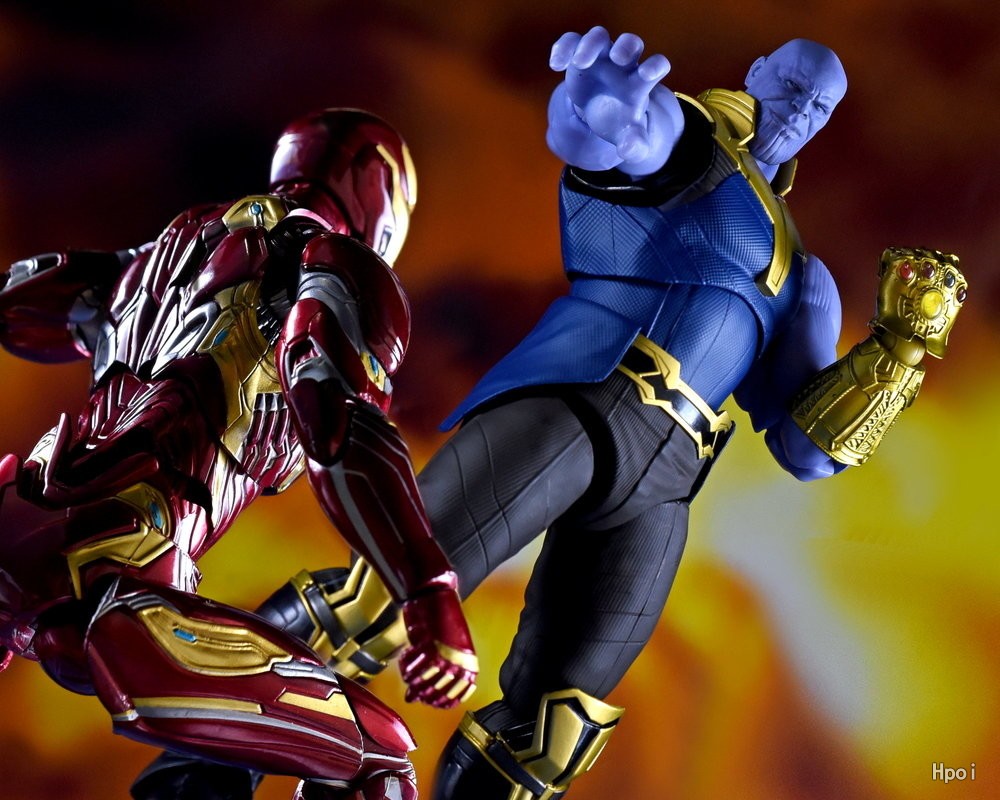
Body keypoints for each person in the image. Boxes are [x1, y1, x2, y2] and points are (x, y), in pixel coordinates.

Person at [135, 26, 966, 800]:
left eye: (819, 104)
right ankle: (189, 781)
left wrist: (897, 353)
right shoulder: (695, 141)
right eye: (790, 84)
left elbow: (805, 448)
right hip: (579, 397)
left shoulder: (806, 280)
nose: (799, 109)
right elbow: (623, 143)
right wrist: (596, 116)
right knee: (372, 603)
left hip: (665, 480)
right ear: (756, 74)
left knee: (553, 735)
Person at [0, 108, 478, 800]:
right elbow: (337, 428)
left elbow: (21, 302)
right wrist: (428, 589)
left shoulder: (158, 257)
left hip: (19, 515)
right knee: (379, 759)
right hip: (115, 578)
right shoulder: (328, 267)